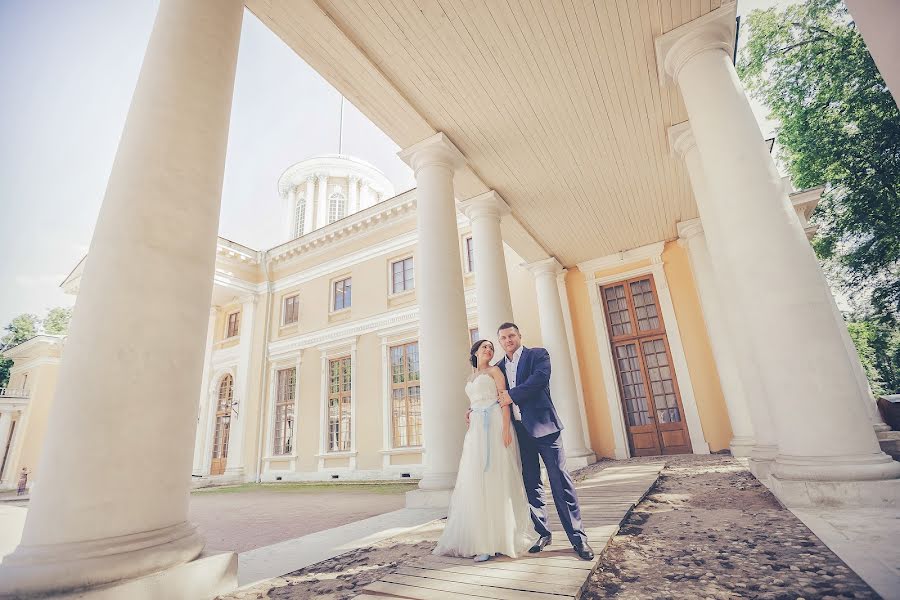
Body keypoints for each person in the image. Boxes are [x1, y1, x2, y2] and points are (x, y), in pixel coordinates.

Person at [495, 322, 595, 561]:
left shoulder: (538, 355)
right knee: (531, 484)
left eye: (511, 335)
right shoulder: (498, 367)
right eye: (503, 338)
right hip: (520, 432)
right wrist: (472, 409)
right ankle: (543, 533)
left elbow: (539, 380)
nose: (508, 340)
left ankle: (578, 538)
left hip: (545, 428)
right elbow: (491, 395)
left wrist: (511, 395)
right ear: (500, 342)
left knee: (560, 481)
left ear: (519, 336)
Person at [433, 339, 538, 562]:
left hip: (495, 424)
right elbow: (476, 399)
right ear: (475, 352)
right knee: (476, 478)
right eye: (484, 347)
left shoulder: (495, 371)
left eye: (491, 347)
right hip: (477, 430)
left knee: (494, 478)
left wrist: (507, 429)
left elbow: (504, 400)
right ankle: (479, 538)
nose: (489, 350)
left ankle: (493, 542)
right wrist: (469, 410)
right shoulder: (471, 377)